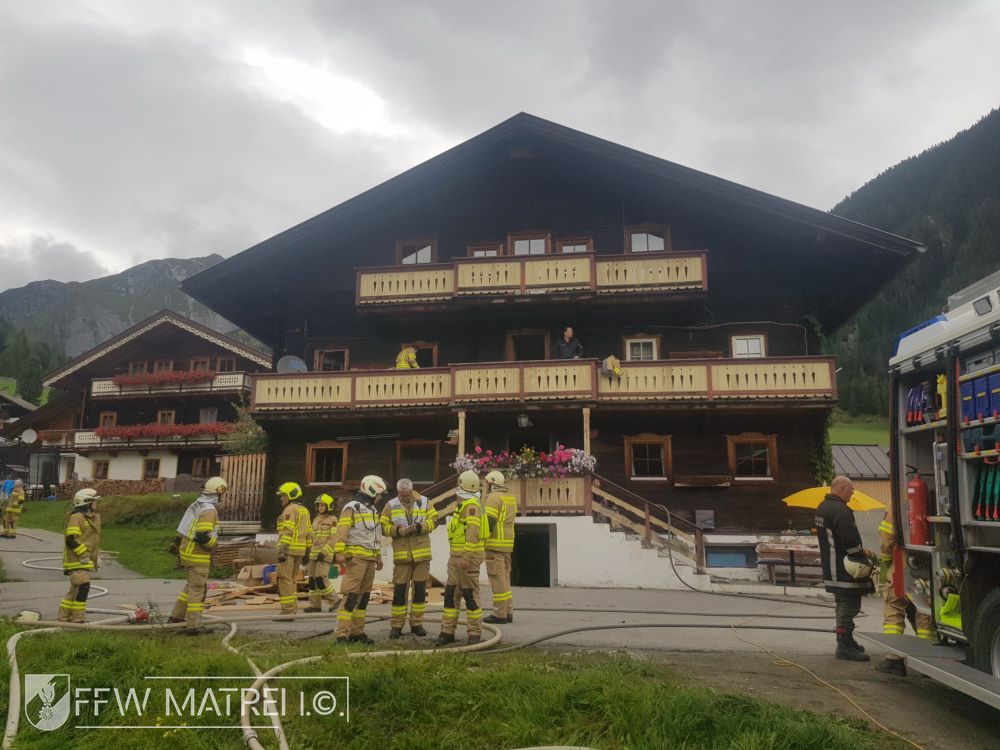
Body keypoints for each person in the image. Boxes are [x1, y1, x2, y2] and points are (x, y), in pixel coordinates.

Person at [815, 475, 875, 662]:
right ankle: (844, 646)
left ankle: (847, 641)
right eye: (851, 489)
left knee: (843, 603)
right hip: (844, 568)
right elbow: (849, 540)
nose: (853, 492)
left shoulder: (822, 508)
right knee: (849, 605)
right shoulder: (841, 511)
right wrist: (861, 556)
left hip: (831, 565)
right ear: (842, 489)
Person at [875, 510, 936, 676]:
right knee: (925, 613)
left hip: (901, 564)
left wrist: (884, 565)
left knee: (893, 609)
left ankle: (893, 659)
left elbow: (887, 539)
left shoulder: (896, 501)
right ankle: (927, 663)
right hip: (929, 564)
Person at [381, 478, 438, 638]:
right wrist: (396, 531)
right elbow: (383, 527)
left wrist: (421, 527)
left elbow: (435, 521)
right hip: (402, 557)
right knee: (399, 592)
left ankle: (417, 624)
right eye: (401, 495)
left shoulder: (425, 502)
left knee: (420, 592)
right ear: (398, 492)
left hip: (421, 556)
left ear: (412, 491)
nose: (404, 498)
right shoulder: (391, 505)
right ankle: (396, 626)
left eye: (407, 495)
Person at [333, 475, 387, 643]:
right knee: (350, 597)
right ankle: (342, 634)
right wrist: (339, 553)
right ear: (371, 491)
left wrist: (378, 556)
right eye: (379, 494)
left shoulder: (371, 509)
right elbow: (342, 531)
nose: (380, 497)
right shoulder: (352, 507)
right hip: (356, 559)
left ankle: (357, 632)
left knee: (363, 598)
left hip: (370, 559)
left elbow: (374, 535)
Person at [436, 470, 488, 646]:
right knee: (451, 593)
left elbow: (472, 534)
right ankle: (447, 632)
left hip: (468, 558)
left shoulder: (471, 507)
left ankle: (474, 634)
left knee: (470, 594)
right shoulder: (467, 505)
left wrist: (466, 556)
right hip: (456, 557)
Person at [169, 476, 226, 633]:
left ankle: (176, 617)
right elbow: (202, 536)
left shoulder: (198, 504)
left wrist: (175, 543)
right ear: (219, 492)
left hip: (187, 551)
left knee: (191, 586)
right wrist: (213, 544)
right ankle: (194, 626)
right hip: (197, 555)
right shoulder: (209, 511)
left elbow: (184, 527)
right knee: (198, 589)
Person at [59, 488, 101, 623]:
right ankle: (77, 618)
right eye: (94, 501)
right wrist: (84, 554)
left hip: (83, 560)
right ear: (86, 502)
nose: (96, 504)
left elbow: (90, 539)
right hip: (76, 560)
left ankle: (64, 617)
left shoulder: (89, 518)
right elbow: (71, 539)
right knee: (83, 586)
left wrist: (94, 556)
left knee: (75, 590)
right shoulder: (77, 517)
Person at [482, 470, 518, 625]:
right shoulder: (510, 497)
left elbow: (488, 522)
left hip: (494, 545)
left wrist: (479, 537)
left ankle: (499, 614)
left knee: (497, 581)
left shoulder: (493, 498)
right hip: (507, 545)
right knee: (505, 579)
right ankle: (508, 612)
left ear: (491, 483)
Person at [275, 482, 313, 618]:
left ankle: (287, 611)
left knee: (284, 580)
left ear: (290, 495)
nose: (281, 499)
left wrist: (282, 550)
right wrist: (308, 551)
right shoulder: (305, 510)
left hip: (289, 551)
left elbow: (288, 531)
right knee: (291, 580)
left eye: (283, 496)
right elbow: (309, 532)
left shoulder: (290, 510)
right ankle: (292, 609)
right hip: (300, 551)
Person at [304, 493, 340, 613]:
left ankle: (335, 601)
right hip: (314, 554)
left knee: (320, 579)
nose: (320, 507)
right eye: (319, 505)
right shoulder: (316, 519)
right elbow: (312, 537)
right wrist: (307, 551)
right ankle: (315, 605)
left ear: (329, 506)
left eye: (323, 505)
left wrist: (324, 552)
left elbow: (334, 538)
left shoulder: (333, 520)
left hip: (325, 555)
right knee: (312, 580)